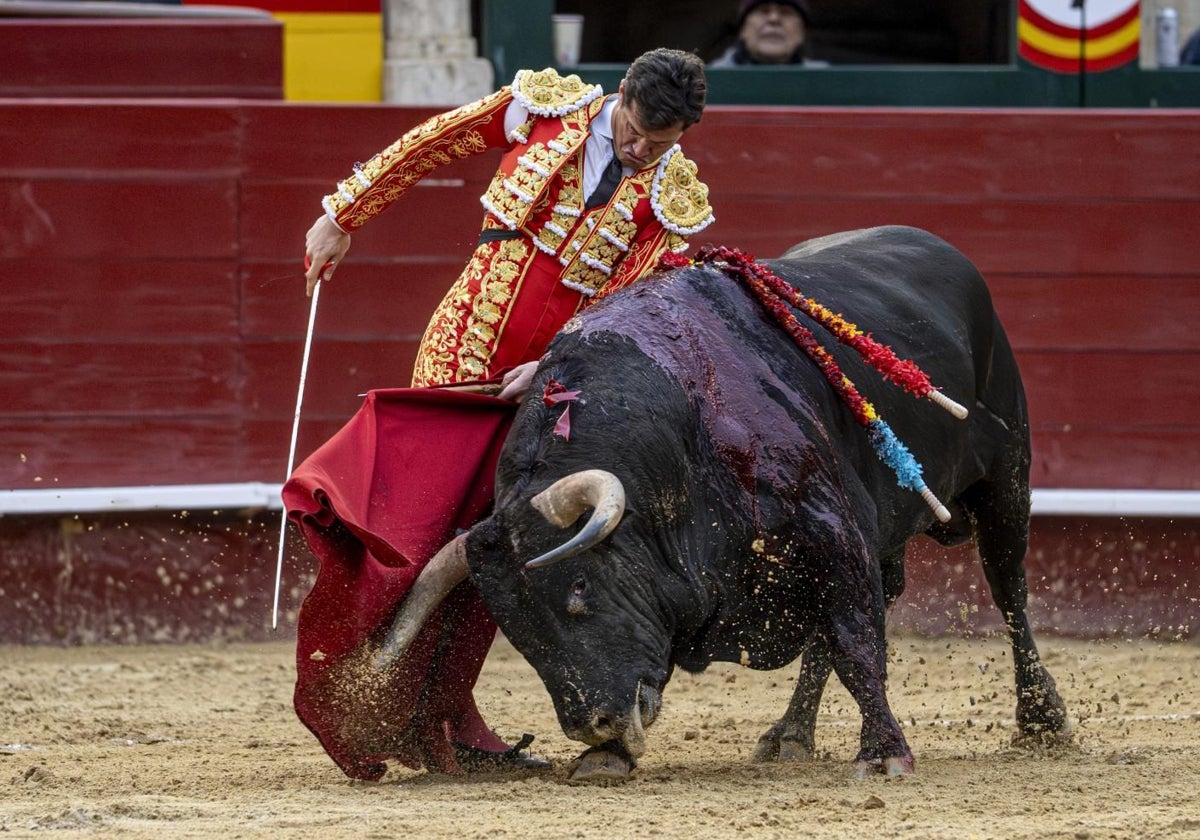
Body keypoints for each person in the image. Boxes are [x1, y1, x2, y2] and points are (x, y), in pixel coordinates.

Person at [289, 48, 713, 781]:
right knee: (420, 519)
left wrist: (554, 363)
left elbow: (633, 308)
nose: (644, 150)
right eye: (640, 131)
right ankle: (361, 691)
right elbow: (432, 142)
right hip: (463, 345)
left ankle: (447, 719)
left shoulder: (673, 201)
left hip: (545, 385)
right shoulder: (544, 111)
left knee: (490, 542)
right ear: (623, 97)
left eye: (663, 142)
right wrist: (341, 215)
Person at [710, 0, 825, 67]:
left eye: (786, 12)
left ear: (801, 33)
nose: (774, 19)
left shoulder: (825, 82)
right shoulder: (707, 84)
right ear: (743, 30)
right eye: (763, 11)